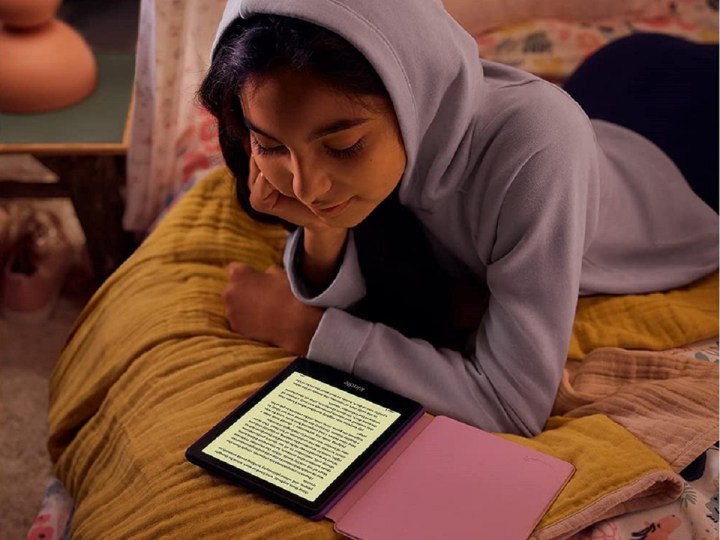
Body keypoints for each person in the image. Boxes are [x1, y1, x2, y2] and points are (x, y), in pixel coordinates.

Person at [200, 0, 719, 436]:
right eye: (269, 145)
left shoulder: (538, 149)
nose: (305, 187)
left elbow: (510, 404)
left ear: (416, 96)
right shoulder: (349, 142)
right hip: (609, 96)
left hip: (691, 152)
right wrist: (322, 227)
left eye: (344, 146)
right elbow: (386, 267)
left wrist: (306, 329)